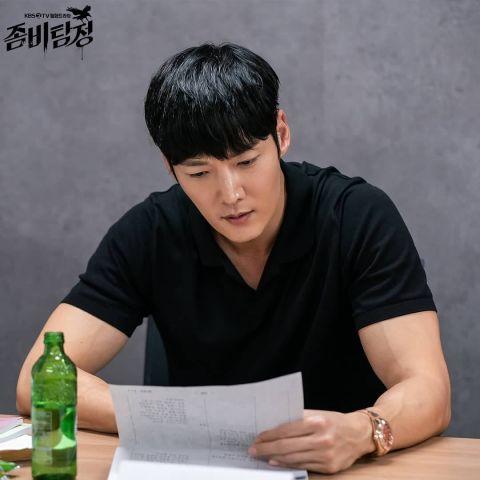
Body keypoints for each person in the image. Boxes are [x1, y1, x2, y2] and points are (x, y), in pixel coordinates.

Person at [16, 43, 451, 474]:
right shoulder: (151, 231)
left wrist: (364, 431)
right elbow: (38, 380)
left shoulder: (356, 216)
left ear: (281, 134)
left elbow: (428, 388)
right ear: (170, 166)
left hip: (342, 469)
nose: (230, 194)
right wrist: (178, 420)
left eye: (246, 162)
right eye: (199, 172)